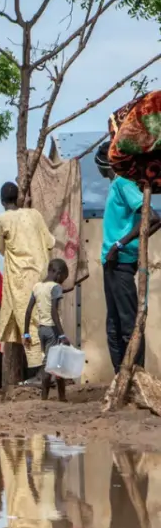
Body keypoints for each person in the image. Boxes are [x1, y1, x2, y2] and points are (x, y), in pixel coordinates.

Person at [97, 141, 160, 373]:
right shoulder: (118, 184)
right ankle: (120, 378)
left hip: (121, 261)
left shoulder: (124, 183)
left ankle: (136, 376)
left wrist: (120, 244)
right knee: (113, 325)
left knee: (127, 323)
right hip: (111, 262)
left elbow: (152, 217)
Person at [0, 181, 54, 380]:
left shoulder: (1, 219)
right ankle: (50, 367)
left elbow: (1, 248)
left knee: (27, 321)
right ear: (17, 197)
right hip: (42, 274)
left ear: (2, 201)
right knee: (46, 317)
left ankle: (39, 371)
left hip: (21, 279)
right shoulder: (34, 214)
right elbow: (49, 241)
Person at [24, 259, 72, 402]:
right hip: (53, 330)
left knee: (57, 364)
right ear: (58, 273)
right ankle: (45, 398)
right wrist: (62, 334)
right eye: (63, 278)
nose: (62, 282)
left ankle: (62, 397)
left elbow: (28, 311)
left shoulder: (37, 286)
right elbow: (54, 312)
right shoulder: (55, 287)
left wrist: (26, 333)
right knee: (49, 365)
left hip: (41, 330)